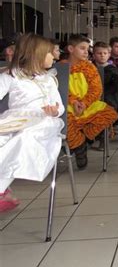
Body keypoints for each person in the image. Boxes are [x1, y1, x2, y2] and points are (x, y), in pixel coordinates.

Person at [0, 34, 64, 212]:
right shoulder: (12, 76)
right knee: (3, 139)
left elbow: (60, 108)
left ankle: (0, 188)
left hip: (43, 122)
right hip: (15, 119)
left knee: (25, 138)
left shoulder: (49, 79)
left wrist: (55, 111)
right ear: (36, 54)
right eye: (50, 53)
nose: (53, 56)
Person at [67, 35, 118, 169]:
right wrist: (73, 102)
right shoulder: (61, 67)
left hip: (88, 104)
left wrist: (84, 103)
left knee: (109, 114)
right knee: (67, 121)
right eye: (82, 48)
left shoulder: (89, 67)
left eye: (87, 49)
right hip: (68, 105)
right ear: (71, 49)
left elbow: (96, 89)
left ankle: (86, 139)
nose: (86, 52)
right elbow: (58, 89)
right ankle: (79, 147)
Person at [92, 42, 118, 112]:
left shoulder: (113, 70)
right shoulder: (90, 67)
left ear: (109, 55)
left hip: (108, 95)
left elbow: (115, 88)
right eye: (99, 53)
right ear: (94, 55)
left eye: (105, 53)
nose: (102, 55)